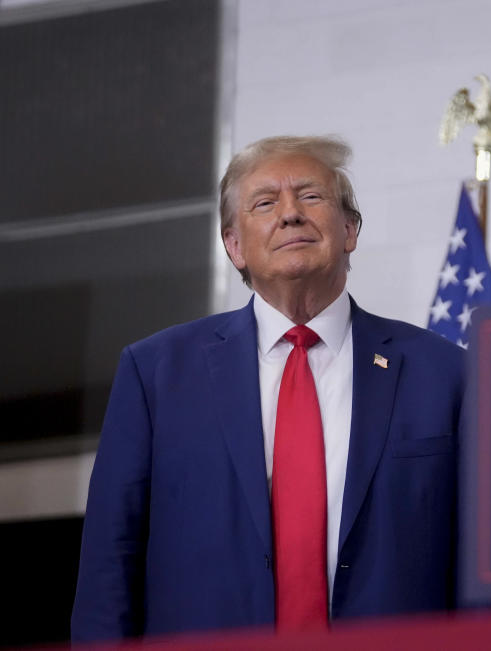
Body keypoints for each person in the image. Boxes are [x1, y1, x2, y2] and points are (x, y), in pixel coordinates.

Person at [71, 136, 464, 641]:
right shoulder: (155, 375)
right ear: (234, 245)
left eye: (311, 196)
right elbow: (109, 566)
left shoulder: (445, 374)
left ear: (349, 230)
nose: (291, 214)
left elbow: (480, 569)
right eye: (264, 203)